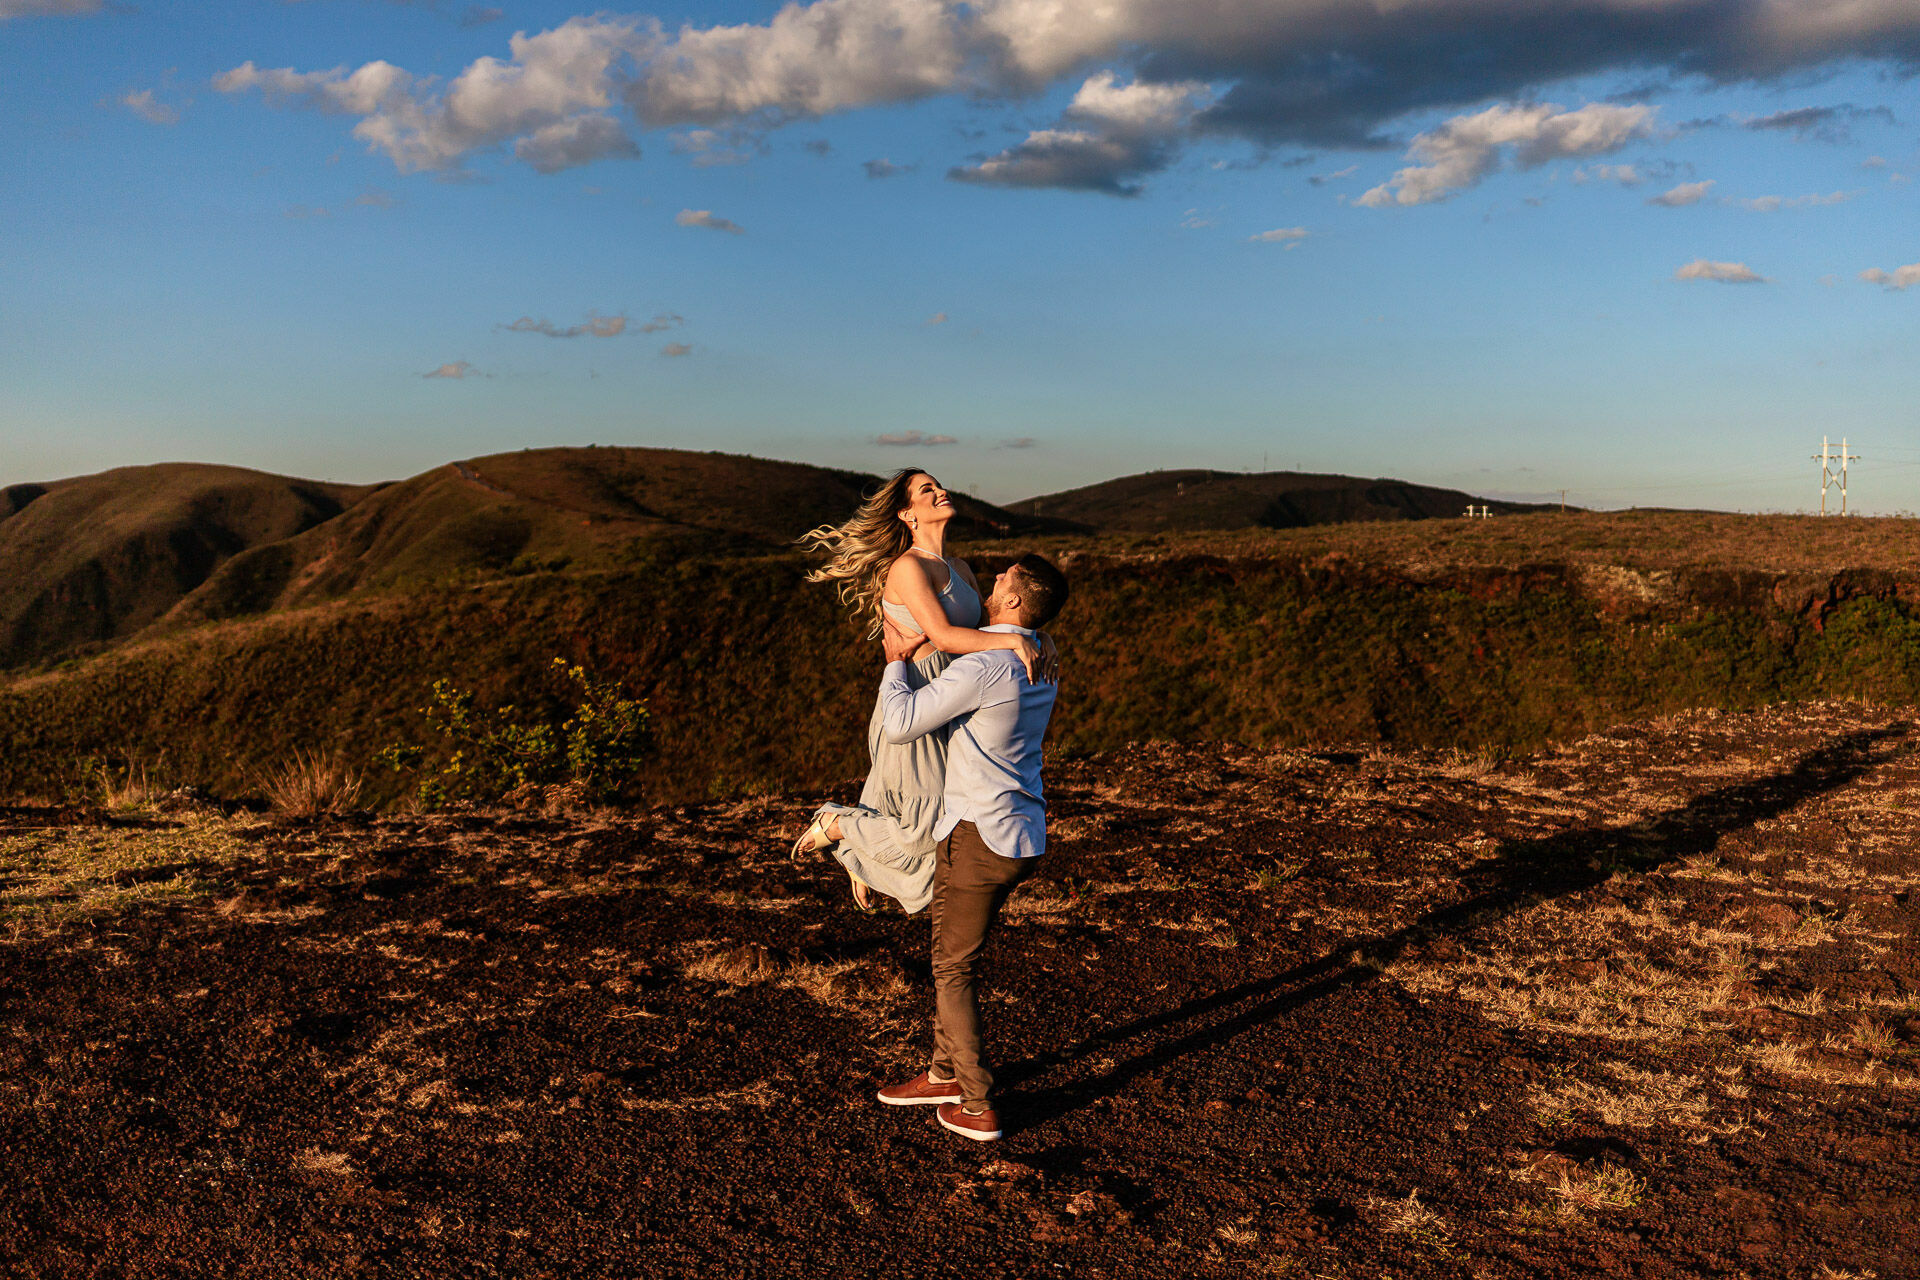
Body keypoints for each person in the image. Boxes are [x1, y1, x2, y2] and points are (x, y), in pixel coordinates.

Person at [870, 553, 1069, 1142]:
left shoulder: (989, 665)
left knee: (952, 968)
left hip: (977, 834)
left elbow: (904, 722)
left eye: (1004, 578)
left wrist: (894, 663)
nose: (995, 578)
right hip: (1020, 832)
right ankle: (940, 1071)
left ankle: (978, 1103)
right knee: (954, 955)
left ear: (1012, 602)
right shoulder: (1040, 657)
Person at [792, 470, 1056, 913]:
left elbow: (986, 628)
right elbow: (947, 636)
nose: (941, 492)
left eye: (939, 485)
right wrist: (1014, 641)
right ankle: (839, 827)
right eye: (926, 490)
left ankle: (859, 851)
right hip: (913, 697)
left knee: (937, 819)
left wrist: (1035, 636)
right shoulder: (908, 567)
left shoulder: (961, 569)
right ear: (906, 514)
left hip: (950, 699)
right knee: (921, 830)